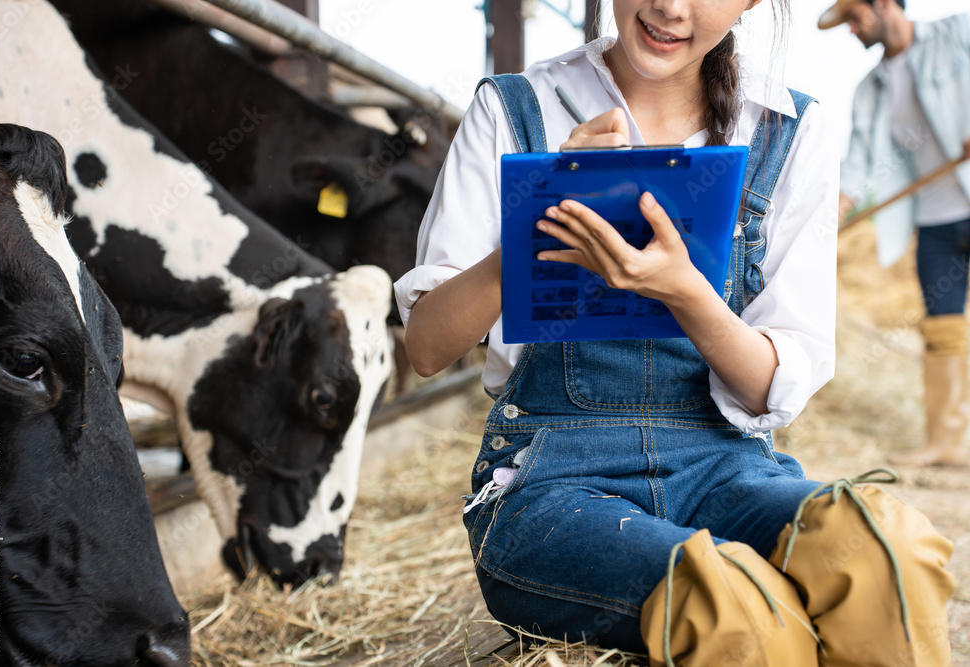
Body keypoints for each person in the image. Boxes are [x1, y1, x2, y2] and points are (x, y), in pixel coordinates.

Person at [396, 0, 955, 662]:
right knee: (734, 607)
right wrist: (540, 213)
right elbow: (428, 347)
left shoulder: (787, 130)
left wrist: (690, 293)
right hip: (554, 482)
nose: (669, 5)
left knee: (884, 553)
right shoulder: (519, 109)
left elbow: (767, 390)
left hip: (724, 467)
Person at [825, 0, 970, 467]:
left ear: (884, 4)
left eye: (854, 17)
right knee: (942, 325)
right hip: (934, 219)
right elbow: (860, 159)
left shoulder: (956, 33)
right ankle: (947, 441)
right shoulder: (871, 88)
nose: (851, 30)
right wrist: (835, 214)